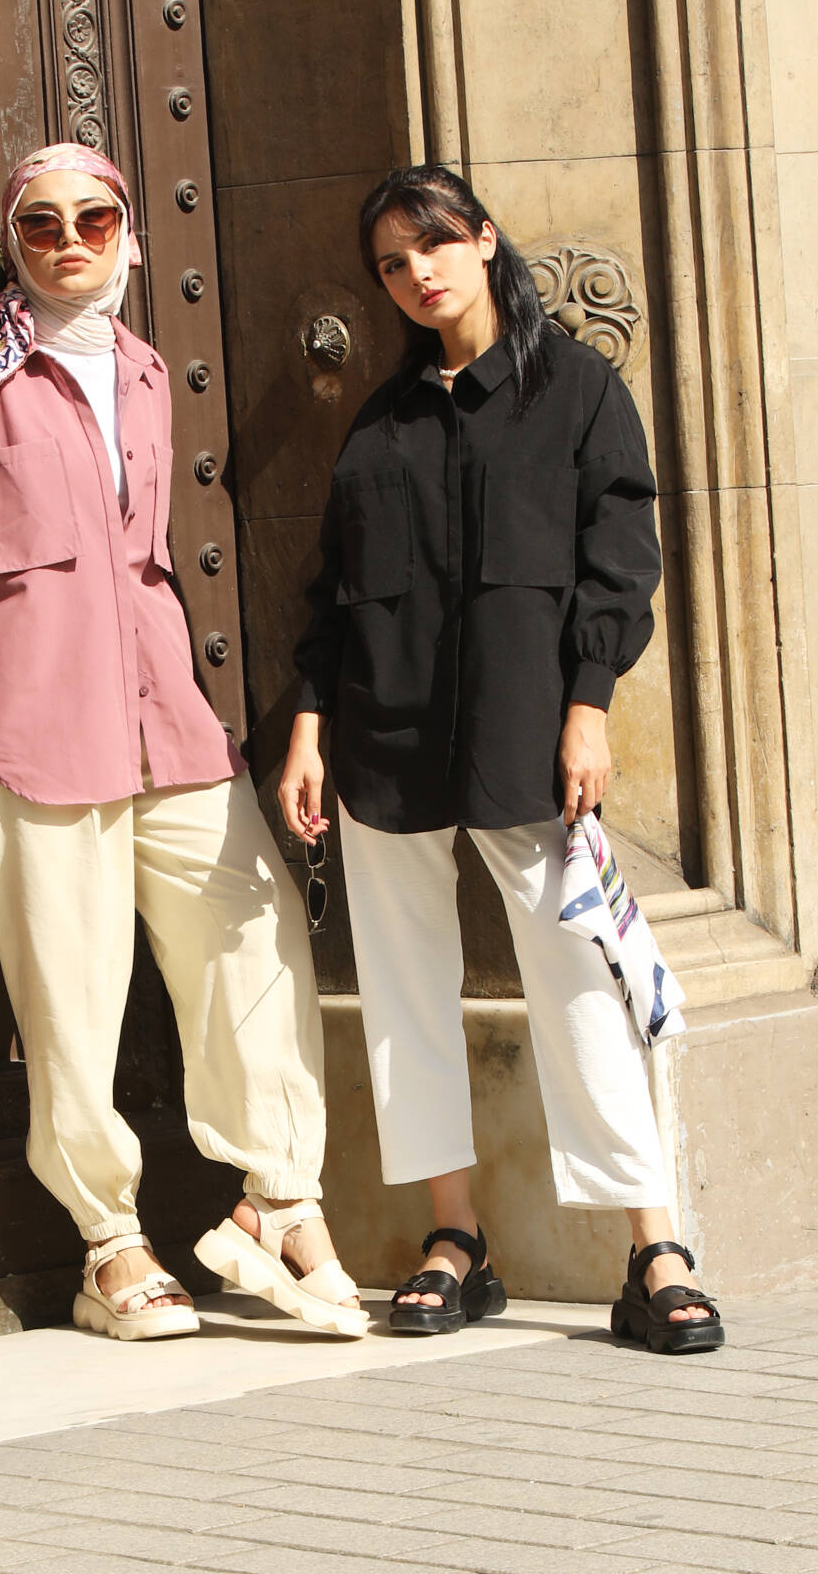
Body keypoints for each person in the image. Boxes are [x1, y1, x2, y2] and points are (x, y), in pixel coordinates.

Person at [0, 142, 366, 1343]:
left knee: (252, 925)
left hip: (161, 712)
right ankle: (110, 1244)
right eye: (41, 225)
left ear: (130, 234)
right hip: (30, 722)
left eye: (93, 218)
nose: (70, 242)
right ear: (13, 243)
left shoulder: (143, 369)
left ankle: (276, 1200)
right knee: (72, 984)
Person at [278, 164, 723, 1354]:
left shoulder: (575, 391)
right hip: (384, 742)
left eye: (432, 244)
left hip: (527, 733)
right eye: (391, 263)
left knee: (581, 975)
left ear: (482, 238)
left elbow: (620, 560)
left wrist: (589, 705)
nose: (415, 273)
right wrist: (309, 726)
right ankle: (455, 1236)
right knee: (402, 989)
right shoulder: (381, 422)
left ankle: (655, 1246)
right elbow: (332, 594)